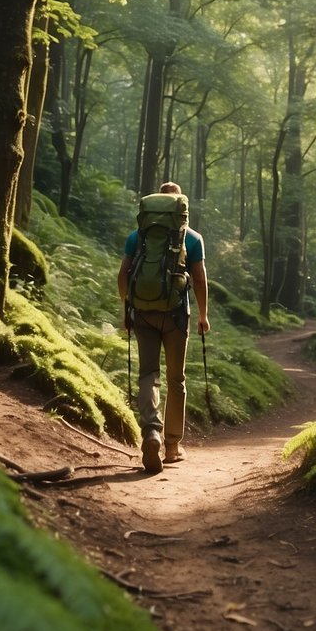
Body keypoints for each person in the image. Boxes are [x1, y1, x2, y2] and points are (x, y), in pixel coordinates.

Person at [117, 181, 210, 473]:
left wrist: (126, 307)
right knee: (176, 380)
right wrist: (203, 316)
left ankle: (151, 432)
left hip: (142, 312)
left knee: (148, 374)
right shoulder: (192, 239)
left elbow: (123, 274)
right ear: (180, 207)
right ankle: (171, 447)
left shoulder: (138, 236)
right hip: (175, 316)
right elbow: (199, 280)